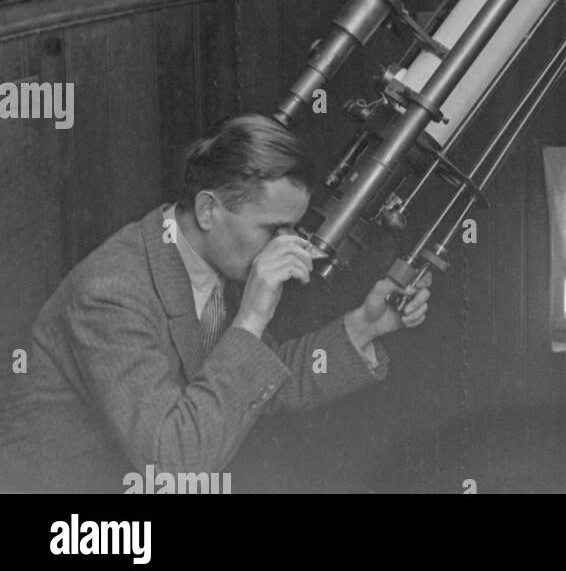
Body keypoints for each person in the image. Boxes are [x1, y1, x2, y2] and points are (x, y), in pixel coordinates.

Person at [1, 113, 430, 493]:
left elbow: (252, 385)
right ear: (208, 210)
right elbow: (174, 463)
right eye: (273, 228)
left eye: (293, 228)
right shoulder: (111, 293)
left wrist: (364, 327)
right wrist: (253, 315)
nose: (287, 246)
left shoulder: (216, 260)